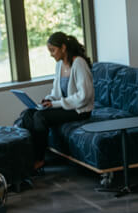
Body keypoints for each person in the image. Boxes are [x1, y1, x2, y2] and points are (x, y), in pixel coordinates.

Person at [17, 32, 93, 172]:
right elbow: (57, 92)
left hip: (80, 110)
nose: (51, 54)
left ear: (63, 48)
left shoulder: (79, 63)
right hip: (67, 107)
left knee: (40, 117)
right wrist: (49, 99)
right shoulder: (59, 65)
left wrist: (56, 104)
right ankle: (28, 157)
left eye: (53, 50)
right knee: (28, 113)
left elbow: (85, 96)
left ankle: (39, 159)